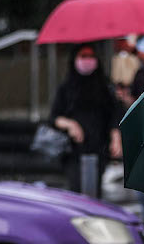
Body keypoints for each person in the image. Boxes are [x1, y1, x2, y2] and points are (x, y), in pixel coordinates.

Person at [49, 43, 122, 195]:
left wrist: (116, 138)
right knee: (77, 190)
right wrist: (70, 124)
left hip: (99, 147)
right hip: (73, 150)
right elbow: (54, 117)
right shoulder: (66, 87)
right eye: (83, 56)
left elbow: (115, 114)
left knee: (95, 191)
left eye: (91, 56)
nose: (87, 60)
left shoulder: (104, 86)